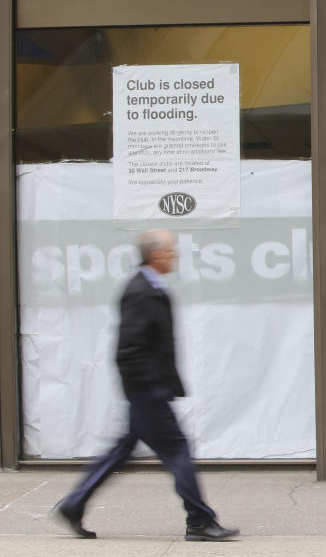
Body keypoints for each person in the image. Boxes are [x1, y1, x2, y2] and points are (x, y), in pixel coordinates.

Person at [55, 229, 239, 542]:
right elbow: (128, 349)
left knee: (121, 451)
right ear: (156, 255)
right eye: (171, 250)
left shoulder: (151, 287)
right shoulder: (140, 291)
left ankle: (74, 504)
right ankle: (199, 521)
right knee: (178, 451)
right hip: (147, 391)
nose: (175, 255)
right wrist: (148, 389)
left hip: (147, 390)